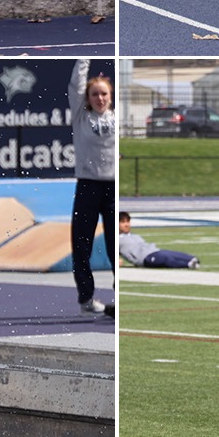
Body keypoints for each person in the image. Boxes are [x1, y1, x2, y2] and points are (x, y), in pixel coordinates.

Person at [70, 60, 117, 315]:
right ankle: (86, 297)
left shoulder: (117, 117)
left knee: (114, 245)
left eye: (104, 94)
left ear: (111, 96)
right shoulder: (82, 116)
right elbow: (76, 84)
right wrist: (84, 59)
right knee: (81, 244)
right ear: (87, 98)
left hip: (113, 189)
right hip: (88, 186)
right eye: (95, 94)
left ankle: (120, 298)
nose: (100, 98)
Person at [118, 211, 199, 268]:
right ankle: (188, 265)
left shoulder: (135, 236)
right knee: (165, 259)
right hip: (145, 259)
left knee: (179, 255)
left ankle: (192, 260)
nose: (126, 225)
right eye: (123, 222)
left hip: (156, 251)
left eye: (128, 222)